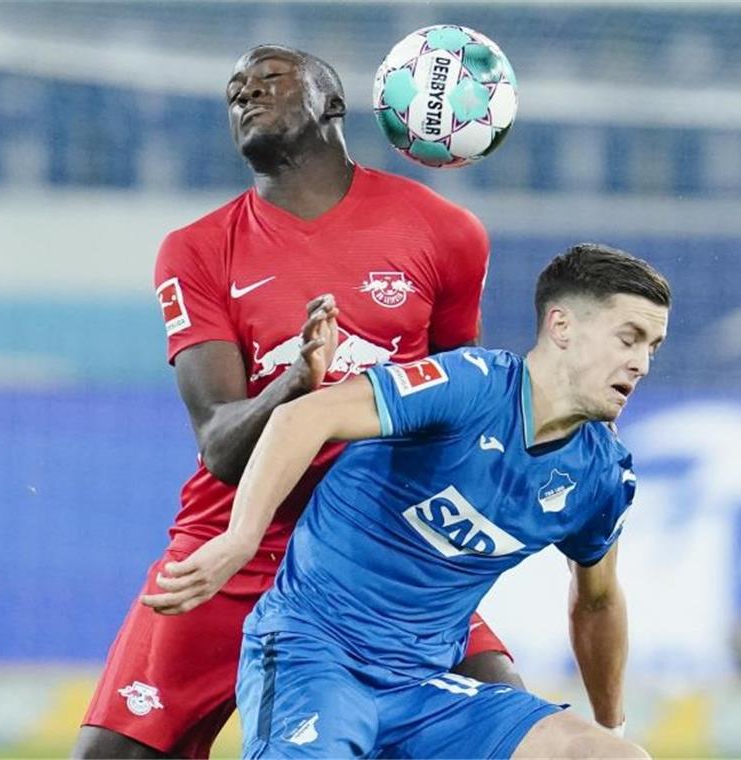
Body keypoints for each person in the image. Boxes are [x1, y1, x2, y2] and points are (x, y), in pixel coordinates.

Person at [74, 44, 521, 759]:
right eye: (234, 90)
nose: (245, 93)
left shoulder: (447, 234)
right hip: (233, 544)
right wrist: (295, 385)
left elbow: (454, 404)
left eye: (270, 79)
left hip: (379, 551)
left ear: (333, 104)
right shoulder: (196, 250)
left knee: (510, 719)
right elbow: (218, 445)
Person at [143, 243, 670, 758]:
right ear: (561, 327)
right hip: (314, 656)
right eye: (629, 338)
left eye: (653, 347)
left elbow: (598, 599)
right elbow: (305, 415)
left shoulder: (602, 474)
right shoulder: (472, 385)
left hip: (424, 689)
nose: (642, 363)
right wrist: (240, 538)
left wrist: (611, 724)